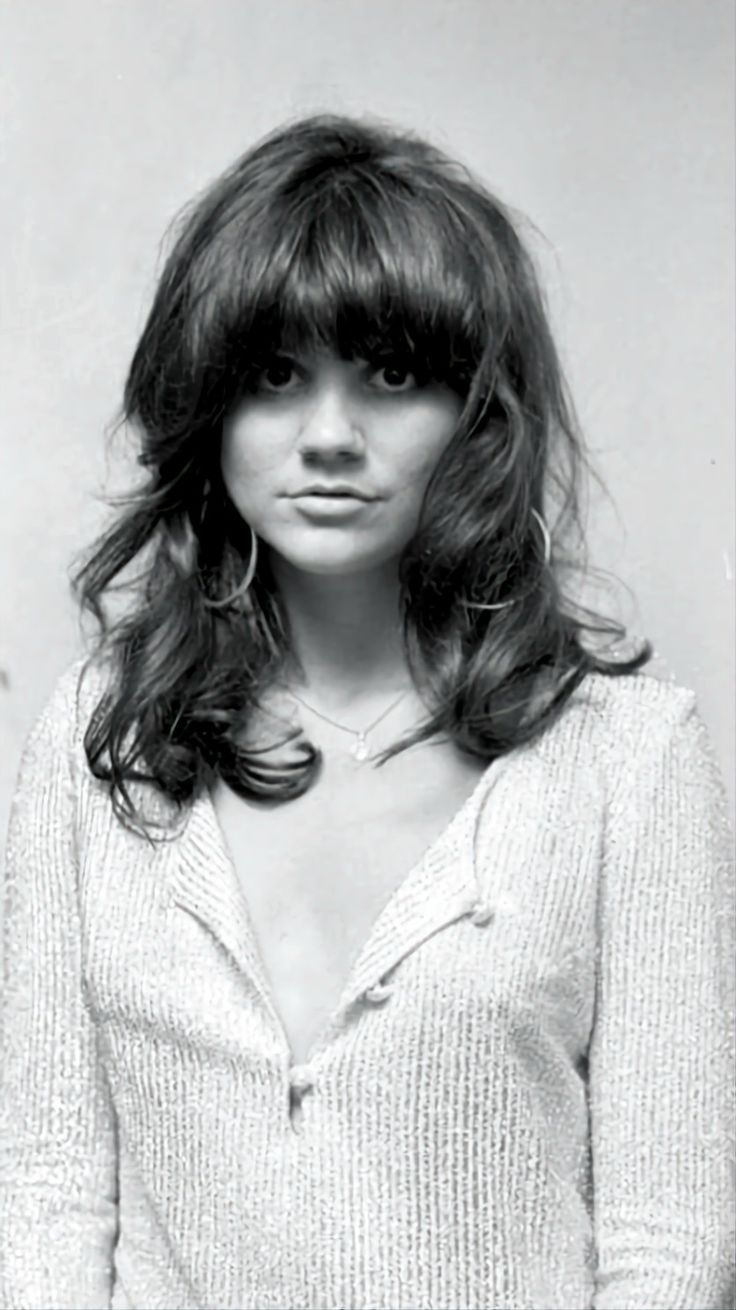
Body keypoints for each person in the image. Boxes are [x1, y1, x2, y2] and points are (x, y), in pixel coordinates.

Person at [0, 111, 733, 1310]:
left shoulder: (630, 764)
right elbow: (44, 1194)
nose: (328, 436)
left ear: (476, 414)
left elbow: (667, 1243)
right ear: (208, 406)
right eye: (275, 376)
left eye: (391, 374)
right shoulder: (104, 741)